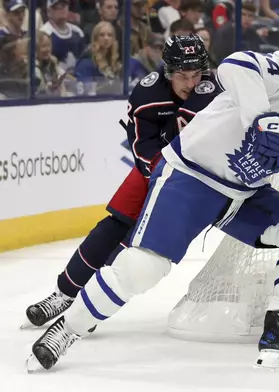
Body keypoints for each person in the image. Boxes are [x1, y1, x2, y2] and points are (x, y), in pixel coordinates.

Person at [26, 37, 279, 373]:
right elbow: (236, 65)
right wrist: (263, 118)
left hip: (243, 194)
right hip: (192, 176)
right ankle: (68, 329)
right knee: (143, 268)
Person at [22, 34, 220, 331]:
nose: (190, 83)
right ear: (168, 71)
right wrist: (163, 173)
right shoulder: (148, 94)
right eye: (182, 75)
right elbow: (143, 148)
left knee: (134, 245)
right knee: (112, 227)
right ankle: (63, 294)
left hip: (194, 181)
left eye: (196, 74)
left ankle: (87, 305)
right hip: (154, 171)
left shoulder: (216, 91)